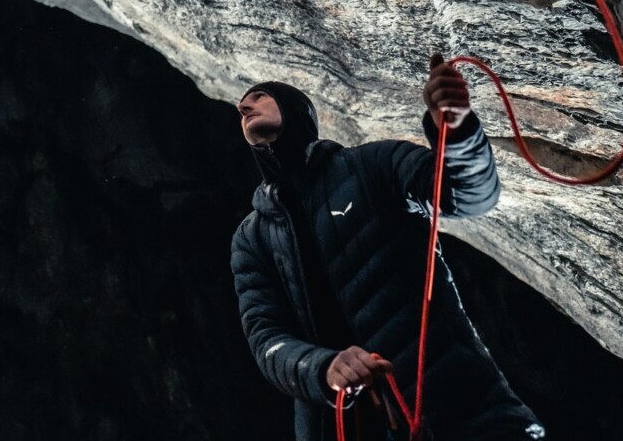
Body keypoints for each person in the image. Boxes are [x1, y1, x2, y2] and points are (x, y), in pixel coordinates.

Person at [230, 57, 545, 440]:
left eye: (259, 97)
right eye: (242, 106)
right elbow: (266, 340)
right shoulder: (252, 238)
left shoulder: (372, 165)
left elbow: (468, 195)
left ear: (296, 109)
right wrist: (323, 367)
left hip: (460, 408)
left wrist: (458, 126)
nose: (244, 107)